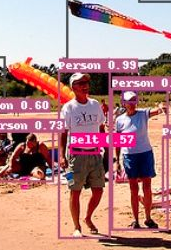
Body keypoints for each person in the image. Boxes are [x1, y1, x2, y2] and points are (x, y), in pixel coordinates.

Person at [60, 73, 106, 238]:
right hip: (75, 155)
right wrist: (61, 156)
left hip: (95, 153)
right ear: (73, 87)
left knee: (98, 190)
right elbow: (63, 132)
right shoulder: (69, 108)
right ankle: (77, 226)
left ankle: (87, 217)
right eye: (81, 83)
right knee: (75, 191)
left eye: (86, 82)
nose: (85, 85)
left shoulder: (95, 104)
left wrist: (105, 147)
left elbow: (101, 127)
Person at [114, 91, 167, 229]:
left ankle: (148, 218)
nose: (131, 104)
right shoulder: (119, 120)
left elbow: (157, 110)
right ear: (124, 103)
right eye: (129, 101)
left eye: (133, 100)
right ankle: (136, 220)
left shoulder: (143, 114)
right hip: (129, 156)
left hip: (145, 153)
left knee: (147, 187)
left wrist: (162, 107)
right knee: (133, 188)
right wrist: (117, 161)